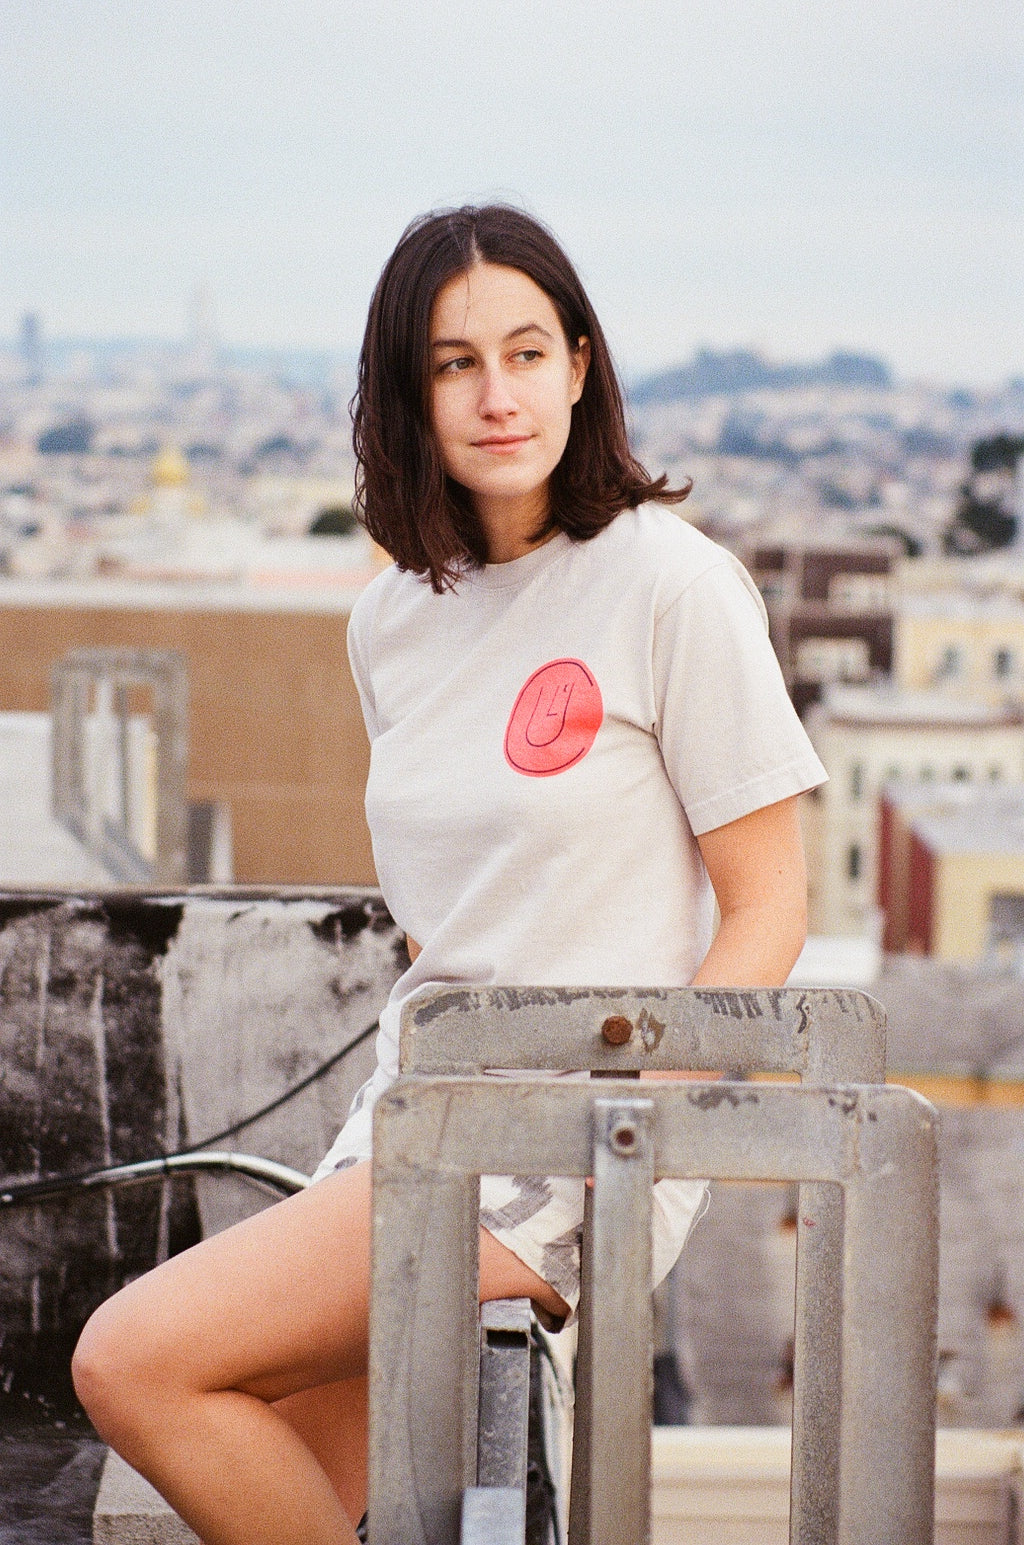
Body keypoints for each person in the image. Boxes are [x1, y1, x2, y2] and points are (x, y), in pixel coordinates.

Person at [73, 204, 826, 1545]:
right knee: (286, 1481)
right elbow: (449, 907)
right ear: (407, 398)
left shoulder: (672, 585)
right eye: (454, 363)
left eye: (527, 352)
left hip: (574, 1129)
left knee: (128, 1359)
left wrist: (629, 1135)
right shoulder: (390, 620)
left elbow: (769, 905)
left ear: (582, 366)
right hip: (409, 1109)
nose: (498, 394)